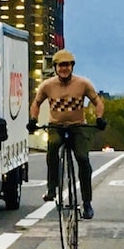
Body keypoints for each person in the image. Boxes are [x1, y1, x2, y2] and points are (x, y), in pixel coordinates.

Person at [27, 49, 105, 220]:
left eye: (67, 65)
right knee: (53, 147)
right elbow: (36, 103)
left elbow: (97, 101)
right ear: (55, 67)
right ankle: (52, 188)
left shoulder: (83, 84)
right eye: (61, 65)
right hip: (57, 126)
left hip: (77, 127)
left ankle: (86, 203)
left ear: (72, 66)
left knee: (83, 159)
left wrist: (99, 118)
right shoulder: (47, 85)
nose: (64, 68)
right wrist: (33, 119)